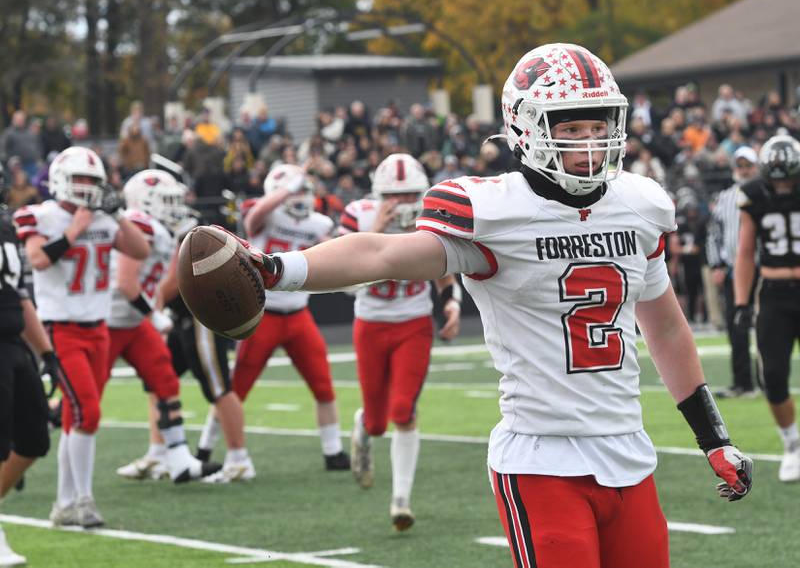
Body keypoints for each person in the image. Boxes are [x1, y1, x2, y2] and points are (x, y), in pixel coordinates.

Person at [214, 43, 753, 567]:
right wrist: (280, 269)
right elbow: (381, 253)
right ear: (527, 127)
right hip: (541, 459)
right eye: (570, 129)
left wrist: (714, 438)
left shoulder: (639, 206)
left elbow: (667, 330)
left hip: (629, 453)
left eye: (598, 126)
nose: (589, 144)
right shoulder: (494, 212)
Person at [13, 146, 150, 528]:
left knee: (77, 417)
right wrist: (75, 229)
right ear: (61, 180)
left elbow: (140, 249)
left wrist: (117, 215)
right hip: (60, 328)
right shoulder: (41, 215)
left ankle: (64, 503)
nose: (87, 186)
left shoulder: (105, 218)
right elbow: (38, 259)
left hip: (98, 328)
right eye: (80, 179)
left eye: (93, 180)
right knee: (88, 413)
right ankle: (84, 500)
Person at [197, 164, 350, 481]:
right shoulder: (265, 213)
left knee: (323, 384)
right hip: (263, 316)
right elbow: (252, 219)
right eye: (295, 190)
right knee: (235, 389)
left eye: (304, 190)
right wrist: (286, 189)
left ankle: (333, 451)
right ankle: (204, 449)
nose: (300, 197)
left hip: (299, 315)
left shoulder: (319, 223)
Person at [338, 153, 462, 531]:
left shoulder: (434, 216)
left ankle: (401, 500)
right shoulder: (360, 216)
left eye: (411, 194)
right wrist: (376, 231)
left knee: (403, 410)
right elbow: (346, 284)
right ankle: (363, 425)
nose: (405, 202)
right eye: (396, 195)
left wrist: (451, 302)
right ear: (379, 195)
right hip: (371, 323)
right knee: (377, 423)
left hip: (413, 323)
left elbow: (444, 269)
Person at [117, 214, 255, 484]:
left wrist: (150, 306)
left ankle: (239, 459)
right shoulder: (156, 229)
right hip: (178, 318)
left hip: (200, 316)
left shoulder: (185, 231)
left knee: (218, 387)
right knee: (158, 382)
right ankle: (158, 453)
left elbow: (172, 282)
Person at [104, 170, 221, 482]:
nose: (173, 207)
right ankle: (26, 436)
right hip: (108, 321)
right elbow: (126, 283)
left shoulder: (163, 230)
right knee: (83, 398)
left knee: (165, 381)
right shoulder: (140, 224)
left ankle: (179, 459)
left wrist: (152, 312)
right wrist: (153, 316)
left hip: (133, 321)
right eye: (166, 200)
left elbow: (152, 284)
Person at [734, 134, 800, 482]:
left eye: (789, 179)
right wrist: (742, 301)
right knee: (772, 374)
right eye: (777, 181)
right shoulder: (754, 195)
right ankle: (793, 445)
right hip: (774, 294)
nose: (783, 187)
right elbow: (745, 252)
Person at [0, 173, 56, 565]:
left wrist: (47, 352)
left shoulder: (6, 228)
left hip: (14, 344)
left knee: (35, 439)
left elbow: (19, 297)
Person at [706, 146, 759, 398]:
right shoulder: (725, 197)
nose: (744, 170)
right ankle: (743, 382)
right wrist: (716, 265)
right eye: (740, 166)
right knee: (735, 327)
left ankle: (768, 381)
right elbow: (713, 233)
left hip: (762, 269)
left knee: (767, 327)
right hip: (732, 271)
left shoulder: (764, 193)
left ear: (756, 167)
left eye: (748, 166)